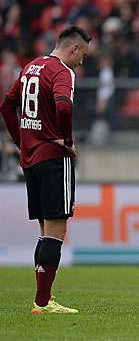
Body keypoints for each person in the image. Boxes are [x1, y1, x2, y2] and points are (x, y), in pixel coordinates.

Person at [0, 26, 91, 314]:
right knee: (56, 231)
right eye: (83, 55)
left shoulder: (31, 67)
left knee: (45, 231)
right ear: (74, 49)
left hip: (31, 159)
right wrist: (66, 140)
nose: (82, 62)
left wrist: (21, 141)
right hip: (53, 158)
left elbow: (6, 106)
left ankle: (42, 299)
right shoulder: (63, 72)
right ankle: (42, 302)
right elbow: (63, 106)